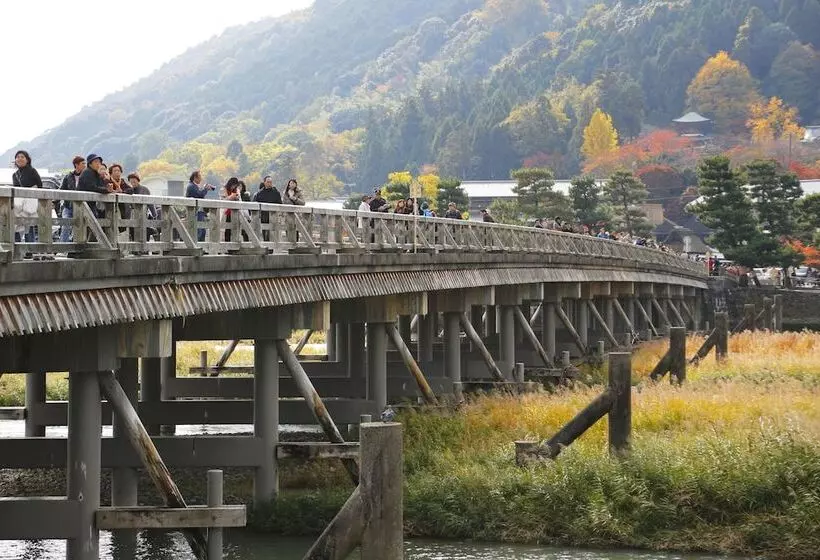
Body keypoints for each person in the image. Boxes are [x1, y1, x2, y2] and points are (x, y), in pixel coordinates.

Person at [12, 150, 43, 243]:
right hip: (19, 205)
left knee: (29, 225)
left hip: (30, 204)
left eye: (22, 157)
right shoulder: (15, 175)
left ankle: (30, 247)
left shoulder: (32, 171)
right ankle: (17, 244)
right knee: (15, 224)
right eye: (18, 157)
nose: (20, 159)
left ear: (27, 160)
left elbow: (40, 185)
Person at [58, 156, 85, 243]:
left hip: (81, 206)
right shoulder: (68, 177)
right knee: (66, 225)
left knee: (79, 227)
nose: (84, 165)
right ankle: (62, 247)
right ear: (76, 165)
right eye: (82, 163)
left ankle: (75, 246)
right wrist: (54, 201)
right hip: (68, 206)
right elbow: (61, 190)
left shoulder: (86, 177)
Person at [78, 154, 114, 218]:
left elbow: (101, 185)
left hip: (90, 204)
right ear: (90, 164)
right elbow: (92, 187)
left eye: (99, 162)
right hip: (83, 204)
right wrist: (106, 190)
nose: (98, 164)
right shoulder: (87, 172)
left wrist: (107, 182)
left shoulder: (96, 173)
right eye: (96, 162)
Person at [186, 170, 216, 242]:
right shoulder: (191, 186)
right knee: (199, 231)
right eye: (199, 177)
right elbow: (200, 195)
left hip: (199, 211)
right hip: (196, 212)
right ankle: (197, 246)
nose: (201, 179)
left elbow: (199, 194)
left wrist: (204, 189)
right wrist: (205, 189)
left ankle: (201, 246)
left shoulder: (194, 186)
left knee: (202, 231)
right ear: (195, 178)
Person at [254, 176, 281, 241]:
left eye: (271, 182)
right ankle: (266, 244)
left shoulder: (276, 192)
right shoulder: (260, 193)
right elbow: (256, 204)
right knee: (265, 233)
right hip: (264, 216)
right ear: (264, 183)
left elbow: (280, 203)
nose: (269, 184)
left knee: (272, 233)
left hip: (273, 215)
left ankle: (272, 246)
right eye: (268, 182)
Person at [222, 177, 241, 242]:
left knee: (235, 227)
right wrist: (231, 197)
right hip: (227, 210)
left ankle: (235, 241)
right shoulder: (225, 189)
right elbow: (224, 199)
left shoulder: (236, 190)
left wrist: (236, 197)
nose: (234, 187)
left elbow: (239, 198)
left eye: (235, 186)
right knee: (228, 228)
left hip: (235, 210)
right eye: (233, 185)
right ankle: (227, 242)